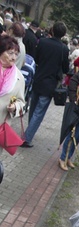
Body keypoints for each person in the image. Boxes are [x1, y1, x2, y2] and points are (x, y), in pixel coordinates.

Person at [21, 21, 69, 148]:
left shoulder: (42, 42)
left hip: (38, 79)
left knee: (33, 107)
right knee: (39, 111)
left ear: (52, 31)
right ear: (63, 34)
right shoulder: (64, 49)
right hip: (50, 84)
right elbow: (65, 68)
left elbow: (36, 58)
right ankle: (27, 137)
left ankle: (28, 132)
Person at [0, 34, 25, 176]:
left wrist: (15, 107)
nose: (14, 57)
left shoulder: (19, 78)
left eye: (16, 54)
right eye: (10, 53)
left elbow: (22, 101)